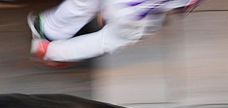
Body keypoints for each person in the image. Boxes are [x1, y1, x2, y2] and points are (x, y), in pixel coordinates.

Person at [28, 0, 202, 65]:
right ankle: (51, 51)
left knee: (83, 4)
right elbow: (184, 6)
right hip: (130, 15)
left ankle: (49, 28)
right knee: (106, 41)